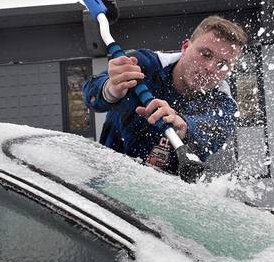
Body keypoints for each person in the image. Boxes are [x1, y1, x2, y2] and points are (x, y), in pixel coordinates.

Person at [83, 15, 247, 175]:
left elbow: (209, 132)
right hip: (107, 181)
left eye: (222, 64)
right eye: (205, 54)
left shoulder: (225, 107)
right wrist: (110, 89)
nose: (211, 68)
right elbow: (91, 96)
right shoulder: (142, 65)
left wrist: (184, 125)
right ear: (185, 47)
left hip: (167, 198)